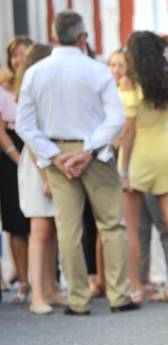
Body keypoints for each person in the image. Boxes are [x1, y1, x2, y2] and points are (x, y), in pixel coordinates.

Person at [16, 10, 137, 315]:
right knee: (111, 224)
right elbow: (116, 118)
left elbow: (24, 125)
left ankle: (78, 299)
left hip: (57, 154)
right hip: (94, 153)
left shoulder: (35, 72)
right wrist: (88, 151)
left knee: (68, 228)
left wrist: (55, 155)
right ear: (83, 37)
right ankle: (118, 294)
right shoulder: (97, 70)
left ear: (55, 36)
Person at [117, 31, 168, 304]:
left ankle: (134, 287)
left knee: (132, 229)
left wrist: (123, 170)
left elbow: (129, 131)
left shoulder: (129, 82)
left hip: (136, 158)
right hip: (164, 155)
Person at [13, 43, 67, 315]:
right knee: (40, 230)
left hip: (49, 161)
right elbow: (31, 140)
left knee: (52, 230)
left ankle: (50, 288)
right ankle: (37, 296)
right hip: (37, 164)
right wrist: (46, 177)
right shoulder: (29, 93)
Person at [0, 36, 32, 304]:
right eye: (14, 55)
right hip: (11, 155)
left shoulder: (37, 83)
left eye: (23, 54)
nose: (18, 59)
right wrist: (18, 156)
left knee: (42, 222)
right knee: (16, 222)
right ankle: (23, 281)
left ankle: (47, 279)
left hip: (37, 150)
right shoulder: (3, 88)